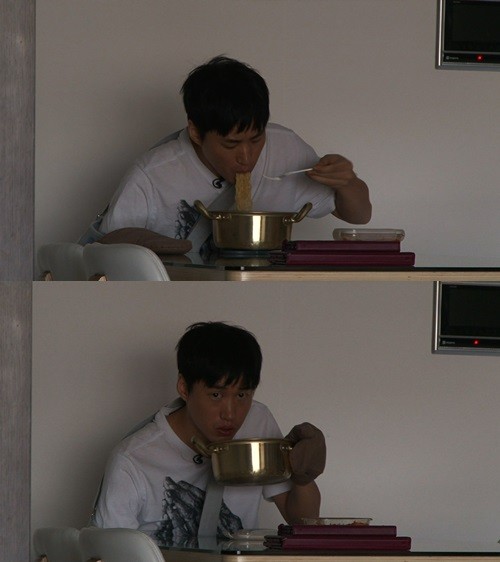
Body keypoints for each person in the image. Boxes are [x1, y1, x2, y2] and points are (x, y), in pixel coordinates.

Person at [80, 55, 371, 251]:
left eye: (256, 139)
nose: (247, 157)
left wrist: (347, 182)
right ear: (196, 132)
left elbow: (359, 216)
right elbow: (106, 249)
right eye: (231, 145)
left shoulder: (287, 147)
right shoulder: (153, 173)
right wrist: (157, 244)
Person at [93, 321, 326, 546]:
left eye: (242, 395)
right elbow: (110, 552)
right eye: (216, 395)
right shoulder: (132, 460)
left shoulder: (258, 422)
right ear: (184, 388)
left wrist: (303, 477)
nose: (230, 413)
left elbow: (301, 522)